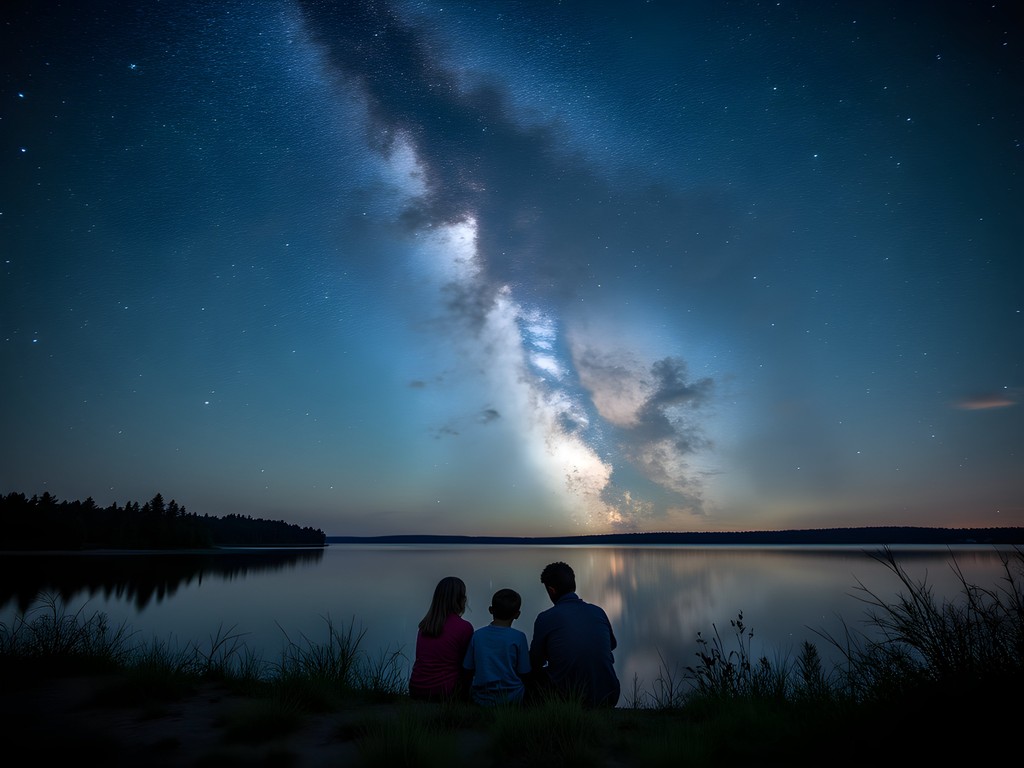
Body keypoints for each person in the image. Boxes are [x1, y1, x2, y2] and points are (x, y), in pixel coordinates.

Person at [528, 561, 620, 707]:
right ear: (574, 585)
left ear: (551, 591)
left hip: (567, 698)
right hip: (608, 696)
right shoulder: (598, 612)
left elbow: (535, 662)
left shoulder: (546, 617)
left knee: (529, 676)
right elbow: (611, 646)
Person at [408, 575, 474, 701]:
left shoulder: (425, 626)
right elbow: (466, 666)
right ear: (461, 599)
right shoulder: (464, 627)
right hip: (445, 692)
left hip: (416, 688)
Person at [462, 588, 531, 706]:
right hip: (513, 697)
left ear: (491, 610)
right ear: (517, 614)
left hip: (481, 698)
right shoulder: (519, 637)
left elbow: (467, 668)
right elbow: (524, 671)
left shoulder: (478, 636)